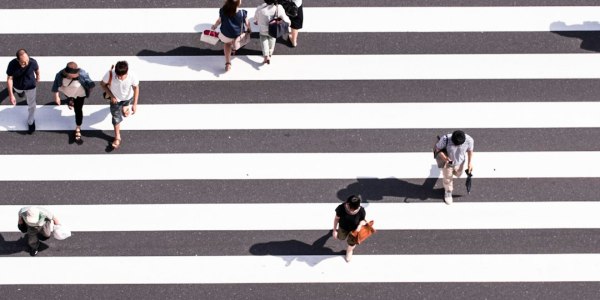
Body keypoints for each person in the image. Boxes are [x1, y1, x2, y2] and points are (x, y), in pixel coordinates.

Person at [51, 62, 95, 144]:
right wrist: (56, 96)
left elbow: (91, 84)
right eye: (74, 74)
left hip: (80, 94)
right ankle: (70, 100)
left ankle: (78, 127)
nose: (76, 75)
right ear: (68, 74)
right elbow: (55, 85)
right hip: (68, 92)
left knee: (78, 110)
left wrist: (89, 89)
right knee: (69, 97)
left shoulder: (82, 73)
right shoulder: (60, 75)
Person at [100, 61, 140, 150]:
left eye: (122, 76)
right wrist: (111, 96)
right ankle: (117, 137)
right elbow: (102, 84)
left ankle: (126, 107)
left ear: (127, 71)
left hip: (128, 97)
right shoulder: (110, 74)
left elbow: (136, 88)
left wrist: (135, 104)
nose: (120, 78)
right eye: (118, 76)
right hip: (115, 100)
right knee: (116, 117)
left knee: (126, 107)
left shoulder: (132, 75)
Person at [433, 130, 474, 204]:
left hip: (460, 162)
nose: (457, 146)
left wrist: (470, 163)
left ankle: (451, 175)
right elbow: (437, 149)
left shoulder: (469, 140)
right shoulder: (445, 139)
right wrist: (445, 158)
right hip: (448, 162)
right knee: (448, 178)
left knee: (458, 174)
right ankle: (448, 191)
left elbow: (470, 151)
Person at [6, 49, 40, 134]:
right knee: (20, 93)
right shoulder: (12, 64)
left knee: (32, 105)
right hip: (18, 86)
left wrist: (38, 76)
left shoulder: (32, 62)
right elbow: (9, 79)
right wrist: (11, 95)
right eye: (23, 62)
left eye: (27, 60)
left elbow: (37, 69)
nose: (26, 63)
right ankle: (19, 93)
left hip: (31, 86)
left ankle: (31, 121)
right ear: (18, 60)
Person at [211, 0, 250, 71]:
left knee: (227, 44)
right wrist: (249, 29)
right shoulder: (242, 13)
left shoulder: (223, 11)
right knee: (239, 39)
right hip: (238, 35)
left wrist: (214, 26)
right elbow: (247, 23)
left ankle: (228, 63)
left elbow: (219, 21)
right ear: (238, 3)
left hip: (225, 35)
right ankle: (234, 47)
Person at [254, 0, 291, 64]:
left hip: (263, 29)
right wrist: (289, 23)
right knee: (272, 39)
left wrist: (256, 21)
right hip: (273, 29)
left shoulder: (260, 8)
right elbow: (285, 19)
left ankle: (266, 55)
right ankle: (270, 53)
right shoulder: (278, 8)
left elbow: (256, 18)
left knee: (263, 40)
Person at [333, 195, 366, 262]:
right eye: (348, 206)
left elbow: (362, 220)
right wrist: (334, 230)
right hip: (343, 227)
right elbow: (336, 219)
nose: (350, 210)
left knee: (352, 242)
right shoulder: (341, 208)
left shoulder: (361, 210)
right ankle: (349, 248)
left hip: (354, 230)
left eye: (352, 209)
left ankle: (349, 251)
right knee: (341, 237)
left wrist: (359, 225)